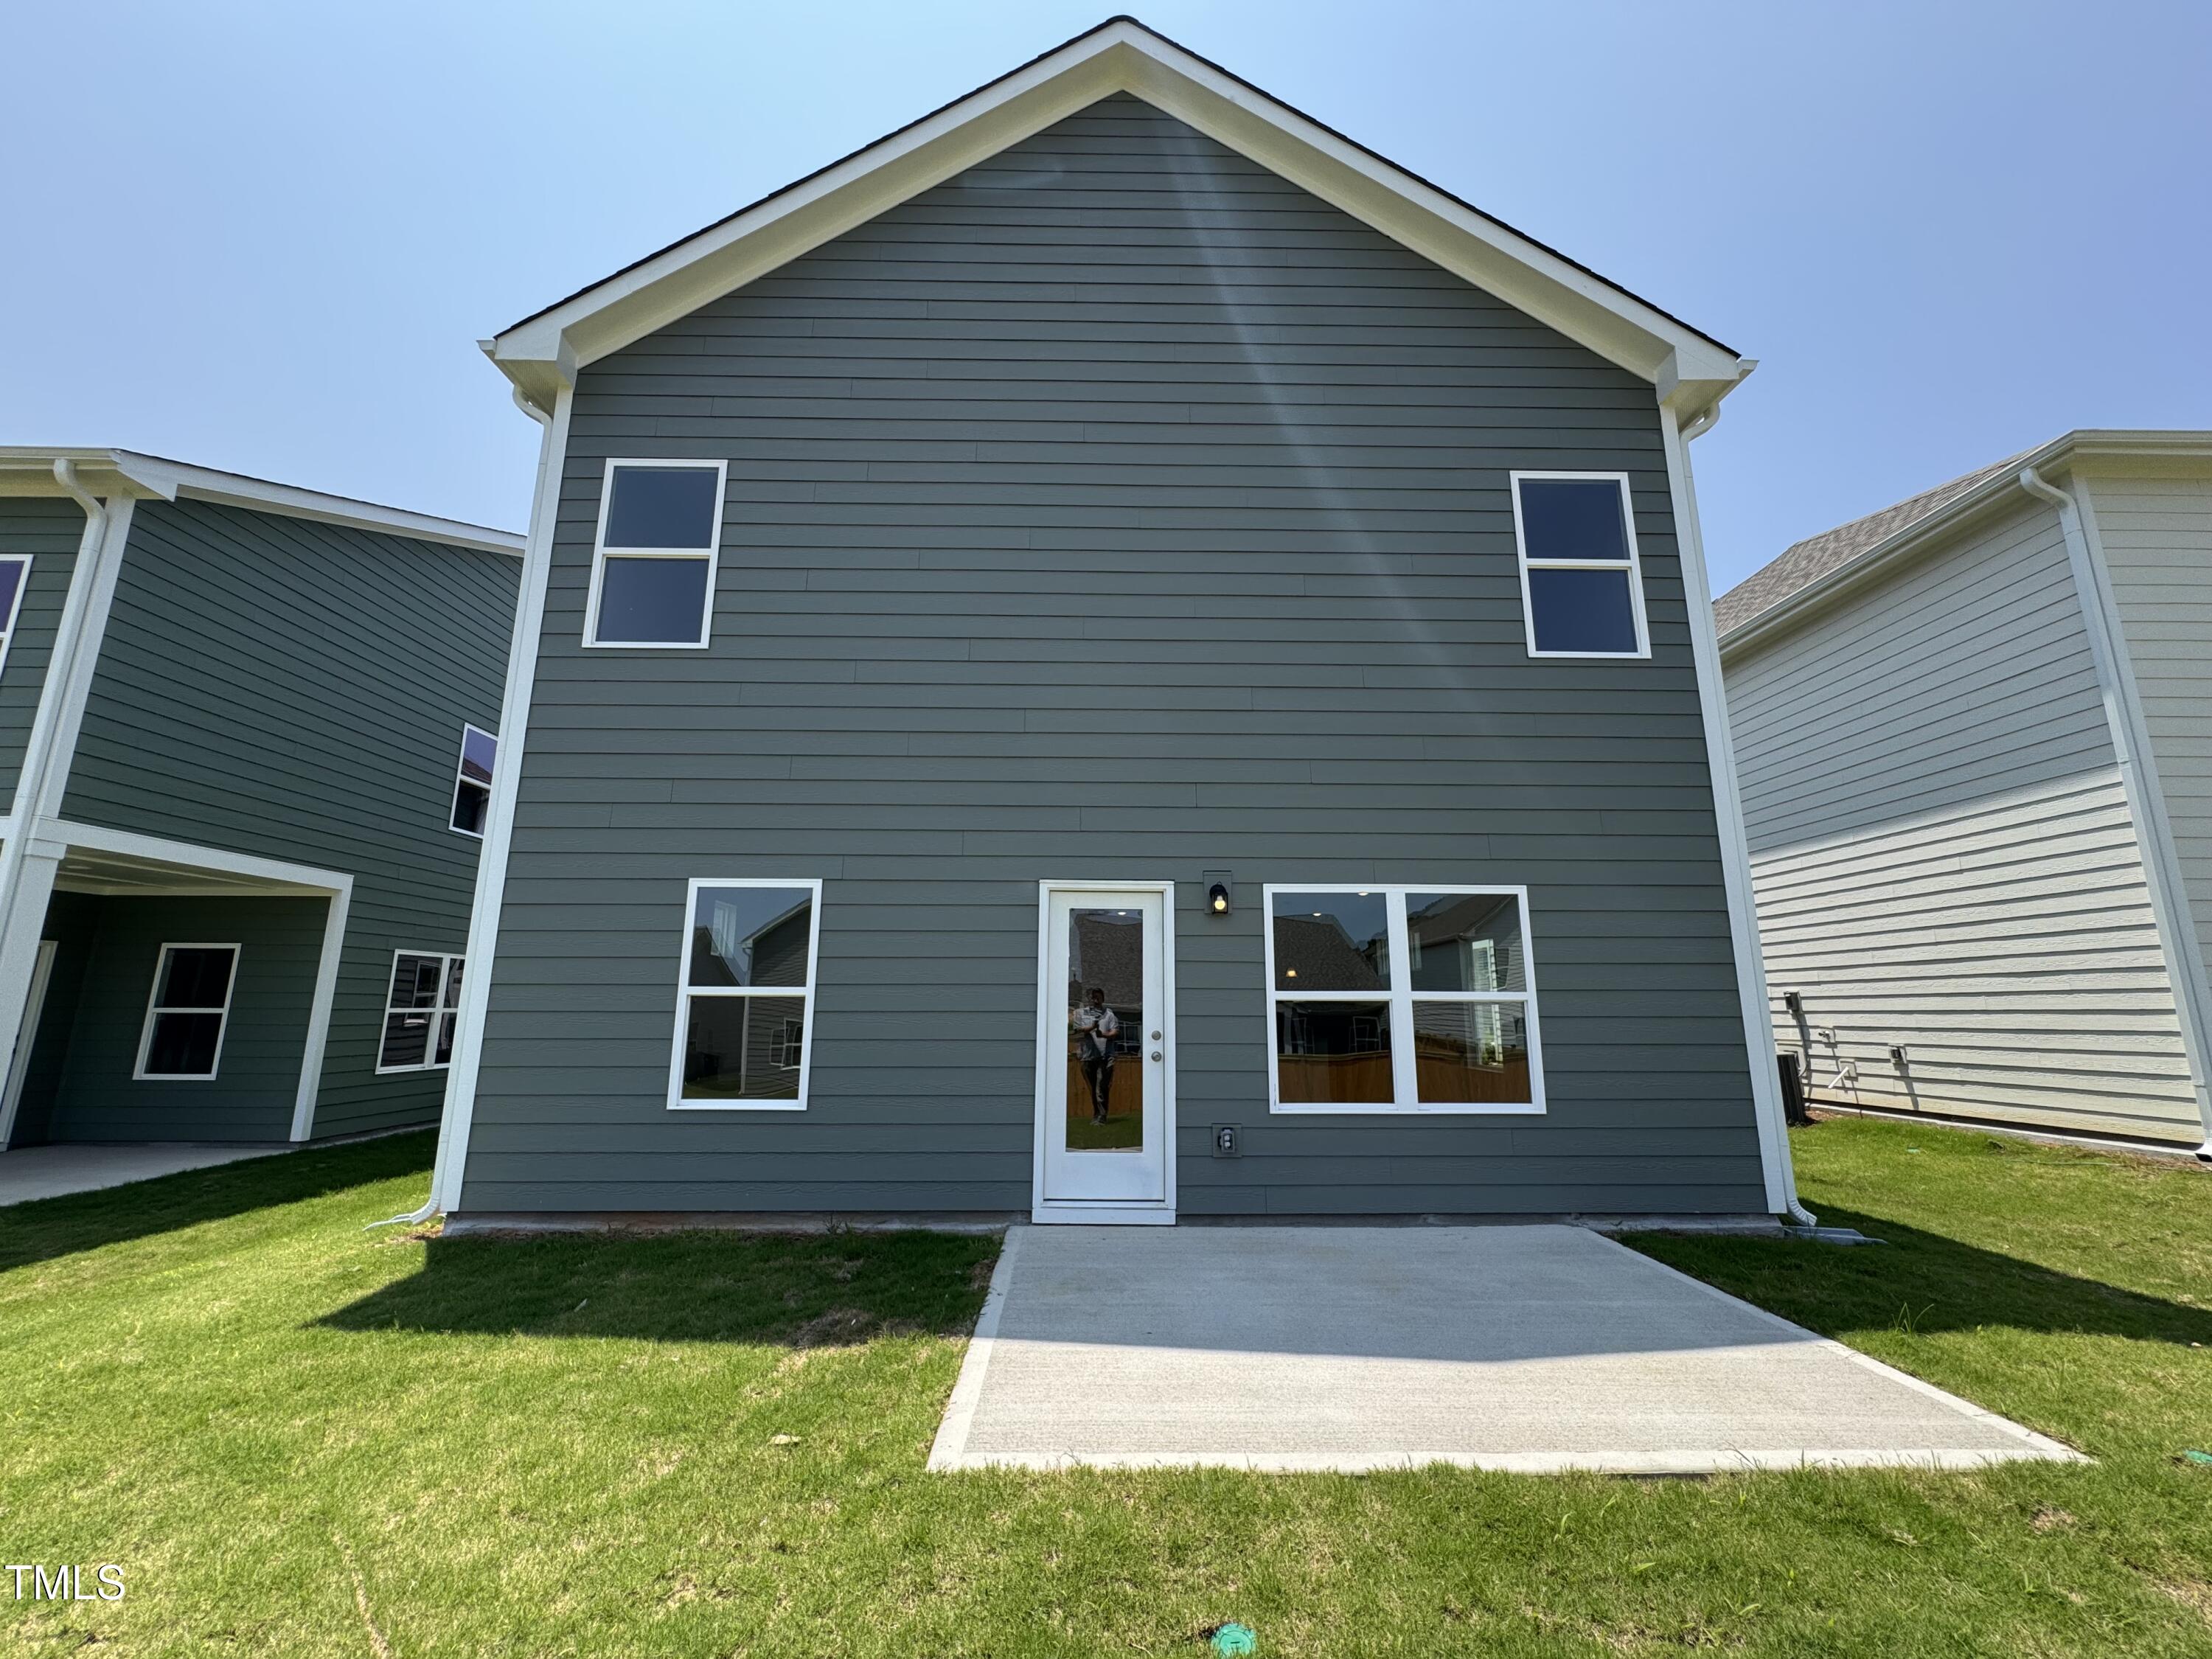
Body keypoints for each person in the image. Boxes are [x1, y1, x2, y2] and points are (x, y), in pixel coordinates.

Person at [1071, 987, 1120, 1124]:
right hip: (1087, 1056)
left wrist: (1103, 1034)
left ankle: (1102, 1117)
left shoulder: (1109, 1014)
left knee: (1101, 1087)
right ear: (1088, 999)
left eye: (1098, 997)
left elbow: (1115, 1032)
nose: (1095, 1000)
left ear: (1103, 999)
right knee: (1093, 1088)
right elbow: (1076, 1031)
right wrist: (1091, 1027)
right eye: (1093, 997)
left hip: (1105, 1057)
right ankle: (1096, 1114)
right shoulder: (1081, 1014)